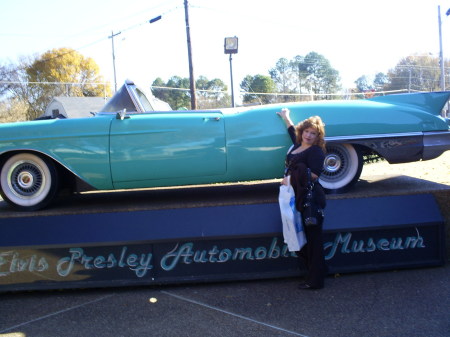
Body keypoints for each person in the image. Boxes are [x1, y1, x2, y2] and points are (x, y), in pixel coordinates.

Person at [277, 108, 327, 290]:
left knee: (313, 240)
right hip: (295, 196)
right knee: (299, 236)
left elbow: (314, 174)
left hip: (310, 197)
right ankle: (316, 272)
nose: (308, 135)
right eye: (306, 131)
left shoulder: (315, 151)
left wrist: (290, 179)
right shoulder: (298, 145)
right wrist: (286, 117)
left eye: (313, 133)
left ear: (317, 136)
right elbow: (292, 131)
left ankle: (315, 280)